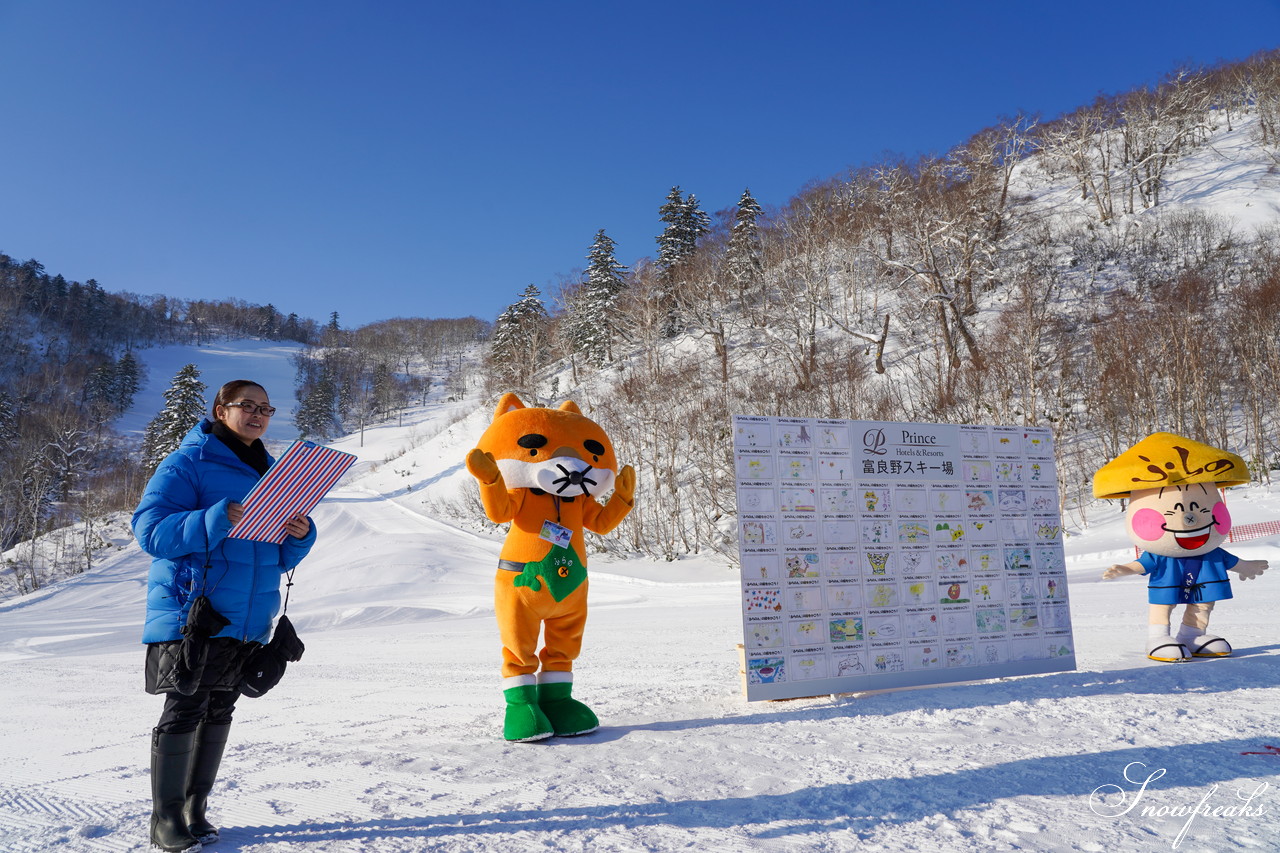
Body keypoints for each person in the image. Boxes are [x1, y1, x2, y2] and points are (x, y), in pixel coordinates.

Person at [133, 380, 317, 852]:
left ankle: (196, 808)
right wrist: (215, 517)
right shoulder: (187, 462)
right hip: (196, 613)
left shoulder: (273, 472)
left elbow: (273, 557)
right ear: (221, 409)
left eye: (266, 408)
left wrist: (298, 535)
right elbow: (150, 532)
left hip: (249, 616)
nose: (258, 415)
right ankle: (166, 818)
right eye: (247, 406)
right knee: (185, 708)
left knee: (220, 709)